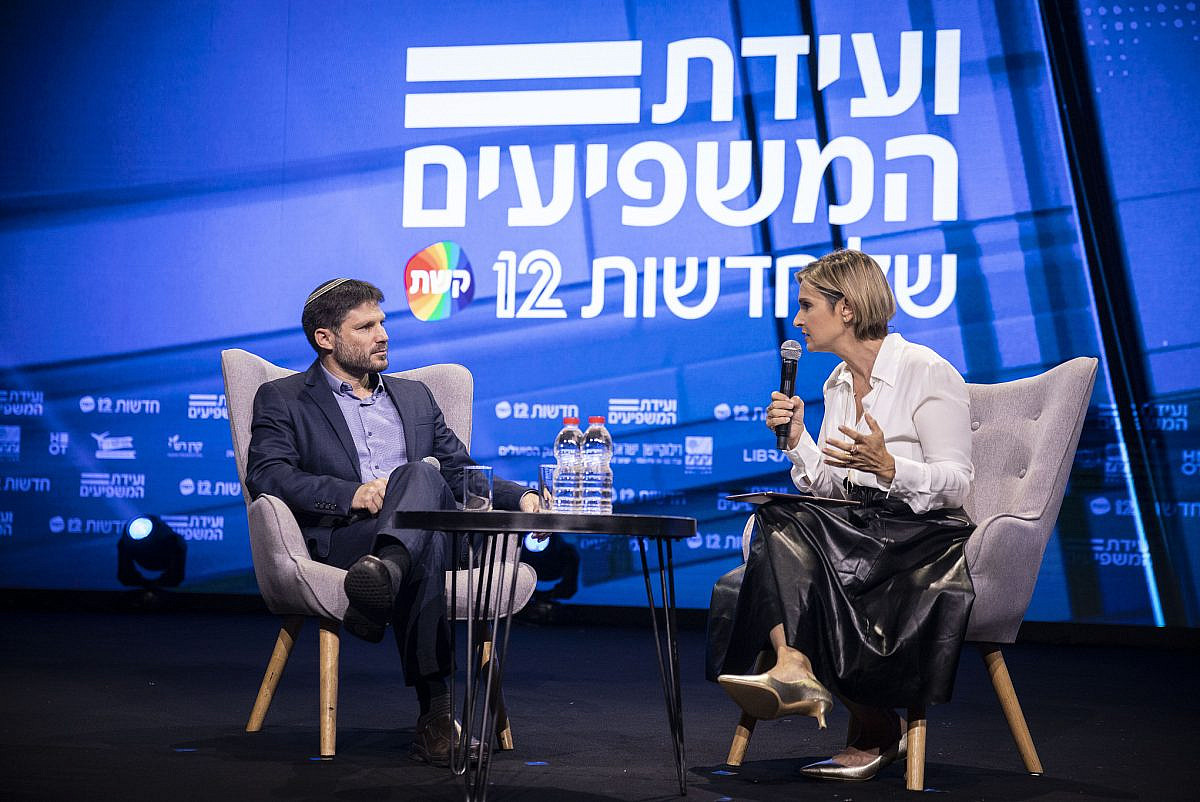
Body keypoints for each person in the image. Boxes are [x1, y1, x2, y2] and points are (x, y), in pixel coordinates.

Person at [245, 277, 540, 765]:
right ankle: (436, 716)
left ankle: (384, 578)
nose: (383, 335)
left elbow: (460, 472)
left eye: (383, 323)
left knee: (420, 477)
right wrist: (353, 493)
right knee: (419, 505)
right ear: (326, 338)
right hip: (348, 536)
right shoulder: (284, 398)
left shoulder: (416, 396)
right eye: (365, 327)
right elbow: (269, 476)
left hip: (415, 541)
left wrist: (522, 495)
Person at [706, 249, 975, 782]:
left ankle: (814, 681)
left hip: (916, 535)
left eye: (807, 306)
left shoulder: (925, 370)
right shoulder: (835, 384)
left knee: (781, 529)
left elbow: (958, 481)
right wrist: (799, 439)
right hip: (855, 526)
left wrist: (892, 466)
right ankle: (801, 671)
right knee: (777, 514)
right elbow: (830, 484)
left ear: (846, 309)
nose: (798, 320)